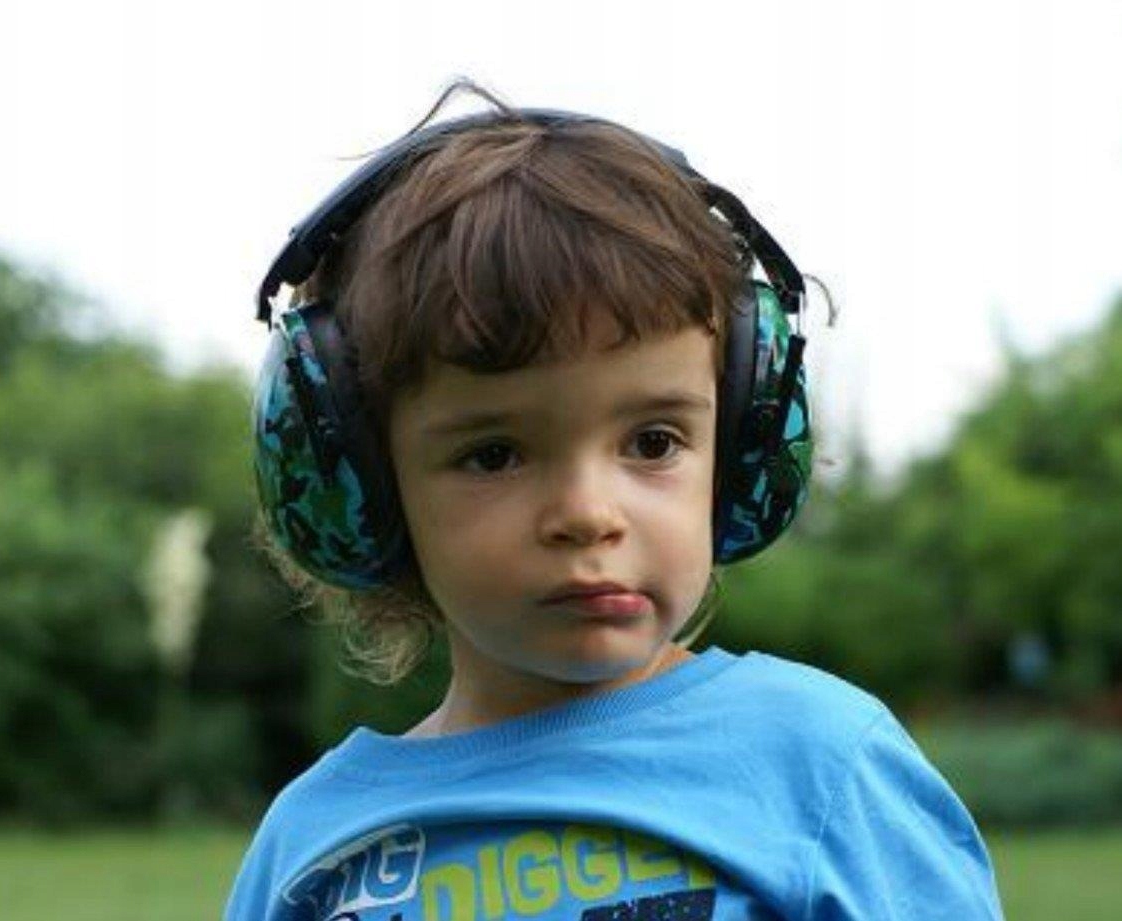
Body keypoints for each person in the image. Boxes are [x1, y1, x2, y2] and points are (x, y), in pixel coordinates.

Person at [227, 79, 1004, 919]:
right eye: (493, 453)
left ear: (739, 448)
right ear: (362, 485)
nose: (588, 514)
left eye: (653, 442)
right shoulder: (312, 849)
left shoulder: (821, 768)